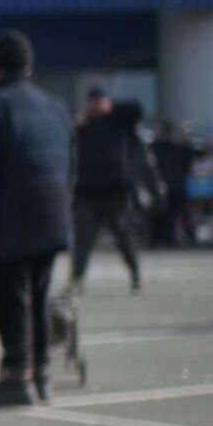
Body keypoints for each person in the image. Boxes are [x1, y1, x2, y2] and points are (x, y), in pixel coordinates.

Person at [0, 30, 75, 407]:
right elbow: (73, 171)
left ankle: (15, 377)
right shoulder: (57, 108)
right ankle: (42, 372)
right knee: (39, 296)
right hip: (53, 215)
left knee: (10, 296)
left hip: (9, 220)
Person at [70, 88, 145, 293]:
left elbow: (137, 109)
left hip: (115, 191)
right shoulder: (83, 125)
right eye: (92, 101)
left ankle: (135, 273)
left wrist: (110, 108)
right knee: (82, 238)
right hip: (87, 191)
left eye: (99, 101)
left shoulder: (120, 121)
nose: (95, 105)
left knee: (123, 234)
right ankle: (77, 280)